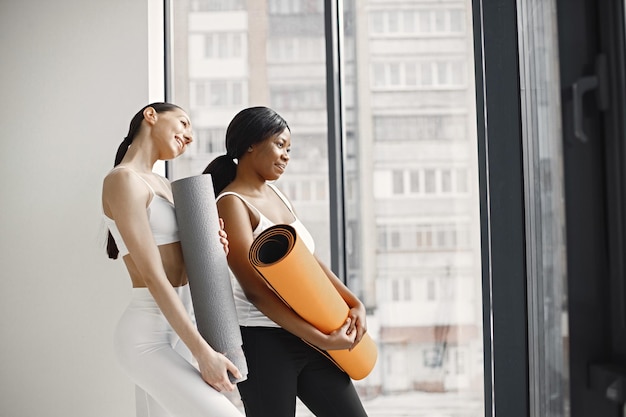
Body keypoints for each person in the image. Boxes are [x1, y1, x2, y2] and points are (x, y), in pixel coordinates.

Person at [203, 106, 369, 417]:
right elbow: (255, 291)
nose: (286, 155)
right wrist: (321, 338)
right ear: (251, 143)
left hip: (305, 333)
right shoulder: (230, 203)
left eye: (289, 148)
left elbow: (309, 261)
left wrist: (353, 302)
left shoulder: (278, 196)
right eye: (280, 144)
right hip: (263, 341)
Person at [102, 102, 244, 417]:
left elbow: (185, 266)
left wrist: (211, 247)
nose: (189, 137)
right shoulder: (122, 180)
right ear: (150, 115)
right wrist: (203, 354)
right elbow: (153, 275)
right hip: (147, 337)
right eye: (183, 123)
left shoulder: (165, 186)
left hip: (182, 327)